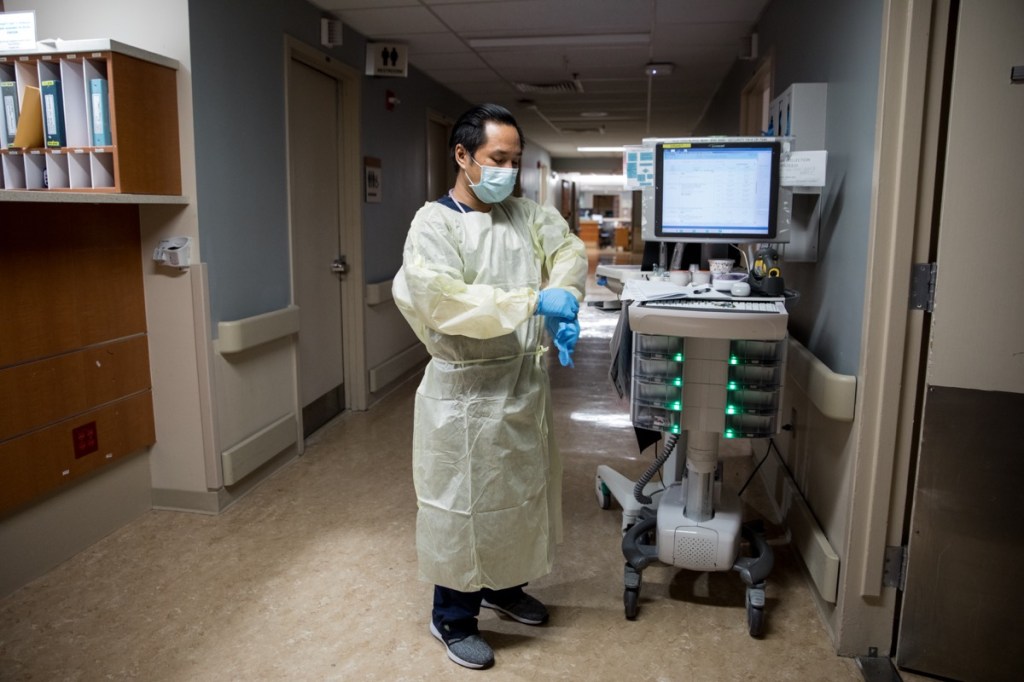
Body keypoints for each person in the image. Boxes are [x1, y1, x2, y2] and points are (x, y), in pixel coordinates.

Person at [392, 104, 588, 669]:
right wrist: (532, 301)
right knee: (464, 506)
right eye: (497, 159)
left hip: (522, 383)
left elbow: (568, 250)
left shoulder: (527, 215)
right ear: (463, 156)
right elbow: (443, 300)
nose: (509, 170)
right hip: (464, 393)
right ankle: (452, 616)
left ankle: (503, 588)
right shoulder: (435, 224)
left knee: (518, 496)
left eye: (516, 161)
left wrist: (567, 297)